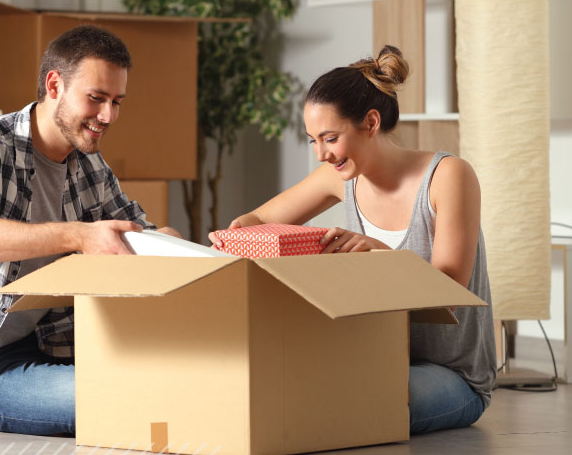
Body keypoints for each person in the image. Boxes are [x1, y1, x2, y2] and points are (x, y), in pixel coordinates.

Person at [211, 45, 496, 435]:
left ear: (371, 122)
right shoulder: (341, 178)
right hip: (375, 357)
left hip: (452, 374)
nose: (321, 155)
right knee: (282, 386)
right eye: (312, 140)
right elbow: (260, 218)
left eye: (329, 138)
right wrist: (239, 232)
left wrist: (381, 255)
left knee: (341, 403)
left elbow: (449, 291)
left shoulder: (448, 177)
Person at [0, 25, 179, 435]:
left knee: (182, 379)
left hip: (54, 346)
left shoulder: (91, 165)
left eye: (116, 102)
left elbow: (136, 231)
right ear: (54, 85)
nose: (108, 116)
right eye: (96, 99)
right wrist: (78, 235)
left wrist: (166, 241)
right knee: (128, 399)